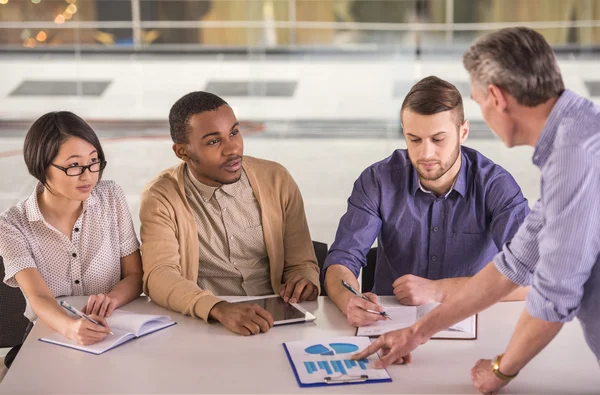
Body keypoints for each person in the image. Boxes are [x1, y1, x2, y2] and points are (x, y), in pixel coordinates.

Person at [351, 27, 600, 394]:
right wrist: (415, 335)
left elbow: (553, 295)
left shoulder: (575, 157)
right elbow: (515, 265)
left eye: (478, 100)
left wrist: (501, 370)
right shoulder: (576, 139)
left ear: (497, 98)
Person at [323, 76, 530, 327]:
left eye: (438, 139)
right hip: (390, 326)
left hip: (475, 326)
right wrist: (348, 300)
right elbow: (341, 261)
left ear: (463, 132)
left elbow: (534, 278)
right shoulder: (377, 181)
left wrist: (438, 290)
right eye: (415, 139)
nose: (425, 153)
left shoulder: (496, 186)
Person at [139, 91, 320, 336]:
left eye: (234, 133)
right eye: (214, 141)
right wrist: (218, 308)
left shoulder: (276, 179)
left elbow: (301, 261)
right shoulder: (161, 197)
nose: (233, 149)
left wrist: (304, 279)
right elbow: (159, 275)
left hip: (278, 322)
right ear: (182, 152)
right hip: (209, 325)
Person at [0, 111, 143, 369]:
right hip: (49, 338)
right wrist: (72, 327)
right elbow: (39, 298)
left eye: (94, 161)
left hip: (112, 332)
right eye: (74, 166)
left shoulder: (111, 197)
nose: (88, 175)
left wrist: (112, 299)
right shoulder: (11, 225)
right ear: (42, 167)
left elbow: (135, 275)